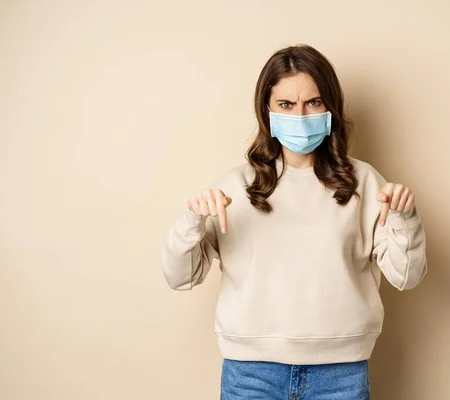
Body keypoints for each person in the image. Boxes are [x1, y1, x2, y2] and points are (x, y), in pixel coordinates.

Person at [160, 44, 427, 400]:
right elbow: (179, 277)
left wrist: (404, 217)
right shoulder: (235, 187)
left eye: (313, 103)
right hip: (251, 374)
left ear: (330, 106)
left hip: (340, 375)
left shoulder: (364, 183)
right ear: (267, 110)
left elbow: (406, 276)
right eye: (286, 105)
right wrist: (191, 220)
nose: (300, 116)